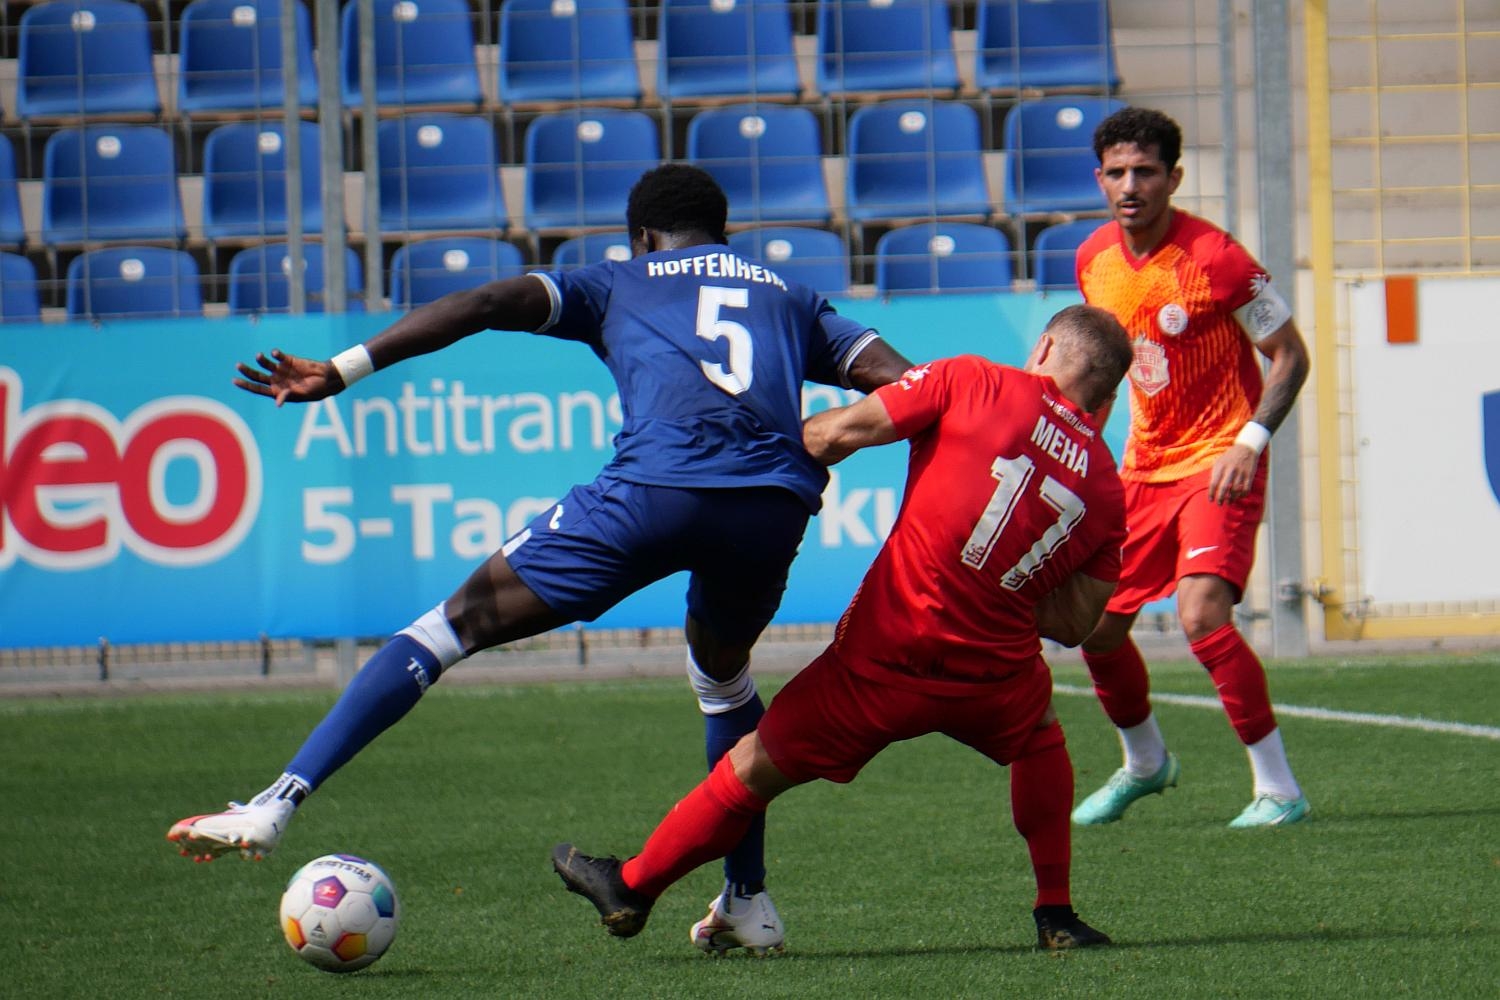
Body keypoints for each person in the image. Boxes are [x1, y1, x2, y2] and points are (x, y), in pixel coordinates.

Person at [166, 163, 914, 955]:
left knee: (446, 630)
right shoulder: (790, 298)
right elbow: (906, 384)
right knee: (724, 679)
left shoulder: (621, 278)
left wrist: (343, 369)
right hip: (770, 509)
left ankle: (274, 804)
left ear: (644, 239)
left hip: (653, 492)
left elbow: (486, 303)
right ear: (722, 234)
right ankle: (748, 902)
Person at [552, 304, 1135, 952]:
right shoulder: (1108, 489)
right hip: (992, 675)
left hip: (886, 657)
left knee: (748, 771)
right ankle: (1055, 913)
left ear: (1046, 345)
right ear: (1108, 394)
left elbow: (834, 436)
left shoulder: (974, 380)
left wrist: (747, 450)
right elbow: (1079, 625)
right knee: (1041, 739)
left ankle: (632, 887)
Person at [1069, 106, 1313, 829]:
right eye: (1117, 172)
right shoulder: (1092, 261)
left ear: (1174, 177)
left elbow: (1291, 357)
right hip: (1144, 471)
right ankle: (1146, 762)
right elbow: (1110, 371)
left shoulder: (1219, 259)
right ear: (1100, 179)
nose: (1130, 185)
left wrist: (1251, 442)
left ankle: (1278, 789)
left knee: (1201, 613)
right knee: (1097, 629)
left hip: (1219, 463)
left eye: (1146, 171)